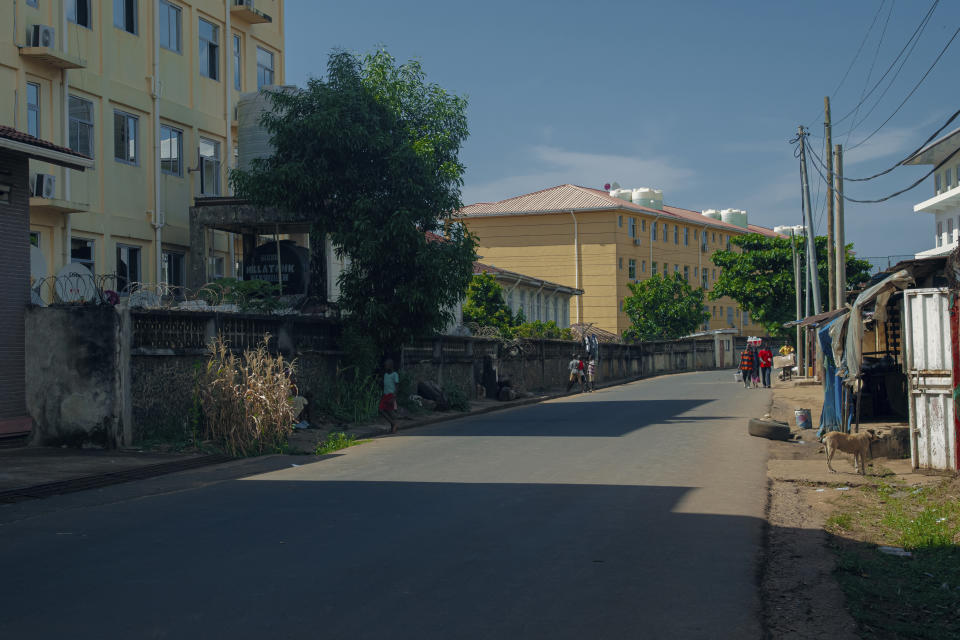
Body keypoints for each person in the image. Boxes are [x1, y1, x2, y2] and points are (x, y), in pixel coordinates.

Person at [379, 358, 400, 433]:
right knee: (383, 410)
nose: (385, 367)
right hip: (385, 395)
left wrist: (394, 397)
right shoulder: (385, 375)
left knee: (388, 411)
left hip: (391, 395)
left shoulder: (395, 374)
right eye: (385, 366)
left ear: (391, 366)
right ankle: (393, 424)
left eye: (387, 365)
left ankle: (393, 425)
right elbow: (385, 385)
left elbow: (397, 386)